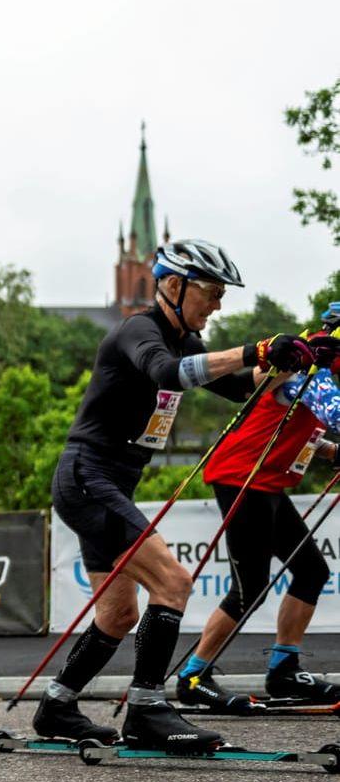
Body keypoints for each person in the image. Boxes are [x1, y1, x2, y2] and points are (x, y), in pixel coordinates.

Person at [33, 239, 314, 750]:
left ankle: (56, 705)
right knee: (173, 581)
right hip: (87, 478)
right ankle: (145, 709)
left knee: (119, 615)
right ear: (172, 285)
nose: (218, 303)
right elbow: (166, 373)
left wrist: (299, 361)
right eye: (211, 292)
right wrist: (253, 349)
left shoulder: (183, 342)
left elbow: (242, 385)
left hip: (105, 484)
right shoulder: (140, 331)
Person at [176, 315, 340, 709]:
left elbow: (310, 434)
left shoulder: (320, 377)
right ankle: (193, 676)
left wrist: (334, 453)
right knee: (249, 586)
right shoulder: (310, 372)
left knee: (312, 571)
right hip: (241, 479)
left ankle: (283, 670)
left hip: (266, 483)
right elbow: (334, 415)